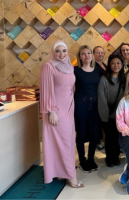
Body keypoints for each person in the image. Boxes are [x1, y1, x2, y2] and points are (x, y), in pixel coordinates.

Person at [40, 40, 84, 187]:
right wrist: (51, 111)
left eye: (64, 51)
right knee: (63, 142)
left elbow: (71, 89)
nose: (61, 54)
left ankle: (61, 172)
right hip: (56, 111)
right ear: (53, 52)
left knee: (69, 141)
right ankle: (71, 176)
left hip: (69, 109)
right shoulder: (48, 66)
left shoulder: (69, 67)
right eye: (58, 51)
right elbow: (46, 90)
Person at [74, 45, 102, 173]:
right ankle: (82, 160)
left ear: (92, 55)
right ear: (80, 56)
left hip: (95, 105)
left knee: (95, 133)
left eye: (89, 53)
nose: (86, 55)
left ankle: (91, 158)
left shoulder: (98, 70)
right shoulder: (75, 71)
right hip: (81, 104)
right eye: (83, 53)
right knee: (81, 132)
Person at [98, 54, 126, 167]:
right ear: (109, 65)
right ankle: (109, 158)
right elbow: (102, 98)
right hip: (107, 114)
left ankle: (116, 157)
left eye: (118, 63)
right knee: (109, 137)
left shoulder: (124, 79)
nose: (116, 65)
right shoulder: (104, 79)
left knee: (117, 137)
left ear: (122, 64)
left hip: (120, 114)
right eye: (113, 63)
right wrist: (105, 117)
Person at [93, 46, 106, 151]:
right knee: (96, 121)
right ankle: (97, 141)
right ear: (93, 54)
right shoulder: (92, 66)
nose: (100, 54)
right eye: (98, 53)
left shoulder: (105, 65)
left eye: (102, 53)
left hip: (105, 97)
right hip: (96, 97)